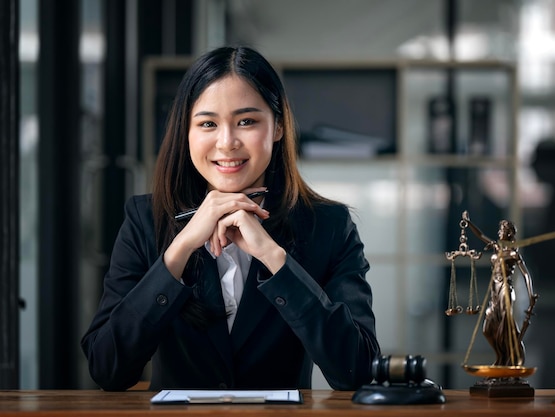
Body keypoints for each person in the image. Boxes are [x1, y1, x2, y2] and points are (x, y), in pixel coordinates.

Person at [80, 46, 380, 391]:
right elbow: (107, 368)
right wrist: (179, 251)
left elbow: (358, 371)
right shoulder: (145, 219)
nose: (226, 142)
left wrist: (274, 258)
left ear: (278, 126)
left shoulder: (328, 226)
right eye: (208, 123)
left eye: (247, 121)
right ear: (186, 132)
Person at [465, 213, 538, 367]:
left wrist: (531, 294)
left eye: (502, 229)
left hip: (505, 288)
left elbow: (525, 274)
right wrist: (469, 223)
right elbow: (481, 235)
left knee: (505, 323)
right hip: (494, 289)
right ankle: (500, 356)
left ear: (509, 233)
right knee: (488, 328)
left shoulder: (513, 253)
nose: (499, 232)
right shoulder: (496, 248)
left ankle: (509, 358)